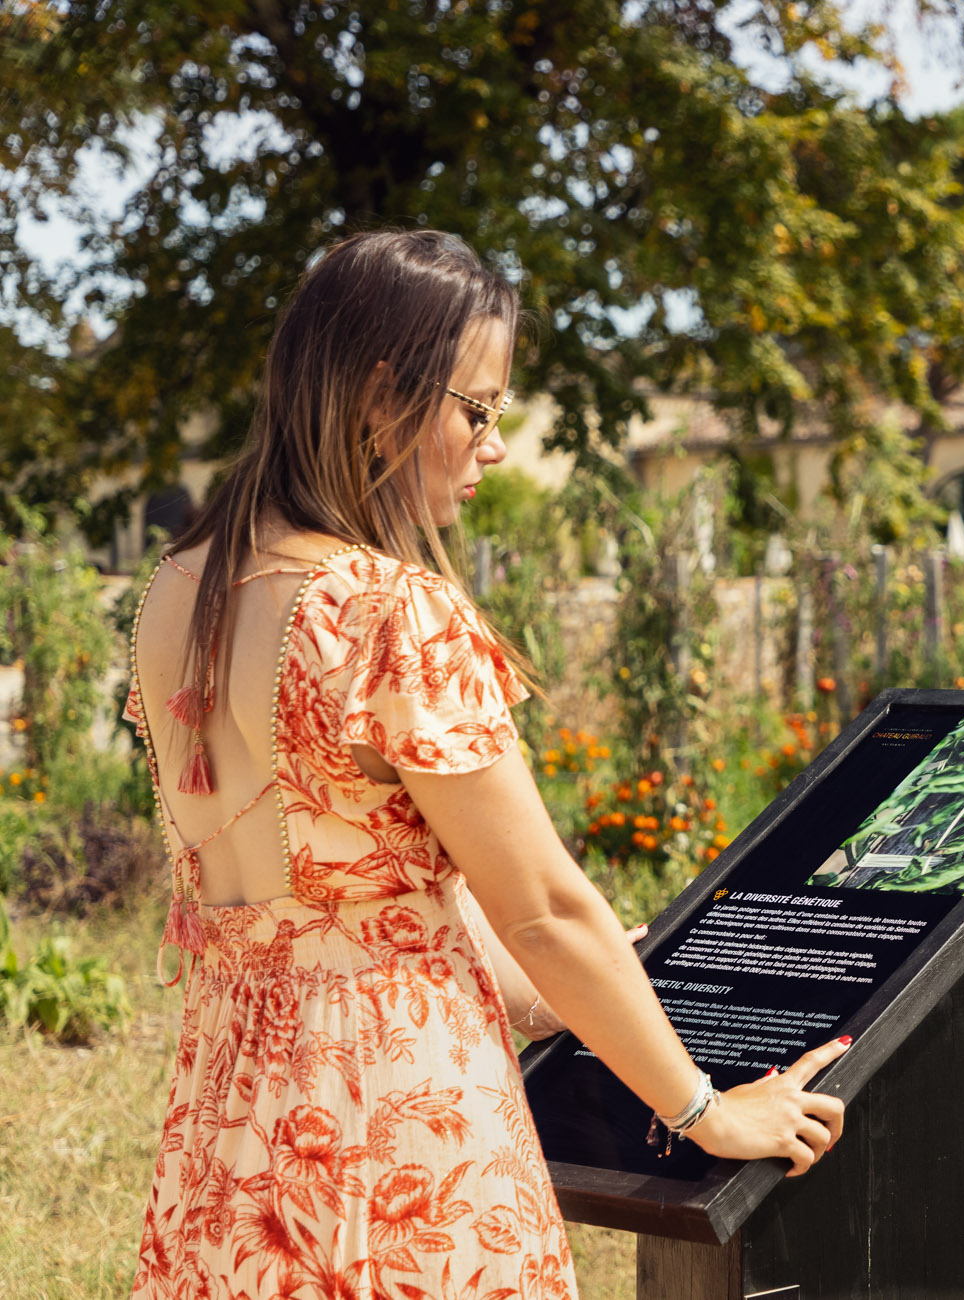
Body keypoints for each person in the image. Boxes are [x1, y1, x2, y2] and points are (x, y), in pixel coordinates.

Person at [121, 229, 848, 1299]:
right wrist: (705, 1109)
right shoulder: (386, 611)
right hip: (394, 1114)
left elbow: (350, 889)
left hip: (232, 1116)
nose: (494, 446)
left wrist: (553, 1002)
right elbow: (541, 906)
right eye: (478, 410)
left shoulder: (176, 587)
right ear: (382, 396)